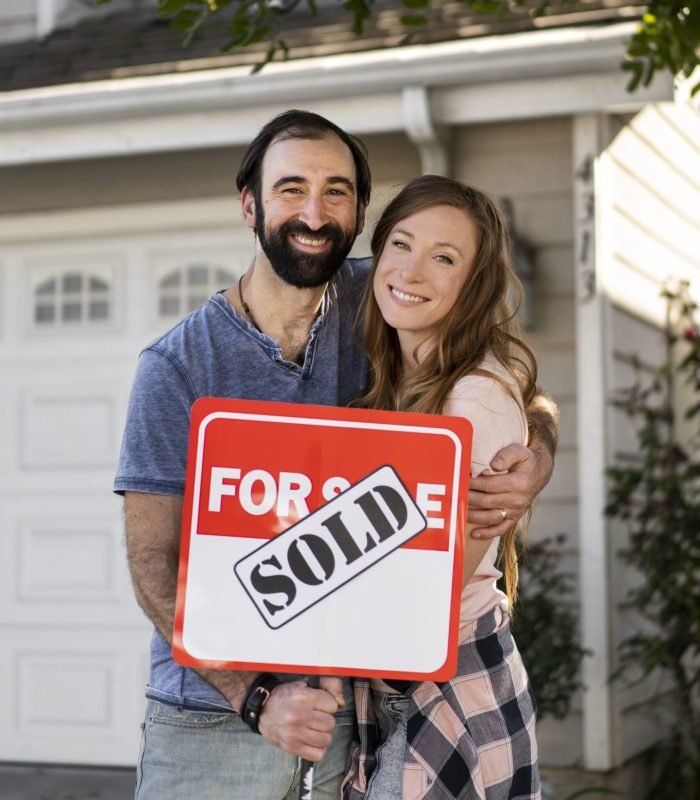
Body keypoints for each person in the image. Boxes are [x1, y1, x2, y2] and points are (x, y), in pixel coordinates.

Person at [114, 110, 556, 800]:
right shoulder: (177, 366)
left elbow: (504, 384)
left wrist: (535, 458)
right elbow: (152, 564)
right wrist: (256, 697)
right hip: (215, 724)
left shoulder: (380, 299)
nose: (314, 213)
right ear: (249, 203)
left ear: (358, 214)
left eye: (337, 191)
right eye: (291, 189)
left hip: (352, 721)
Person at [342, 175, 543, 800]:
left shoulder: (472, 397)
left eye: (444, 257)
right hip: (398, 686)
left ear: (473, 285)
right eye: (401, 244)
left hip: (448, 683)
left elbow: (433, 585)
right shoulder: (396, 379)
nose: (413, 270)